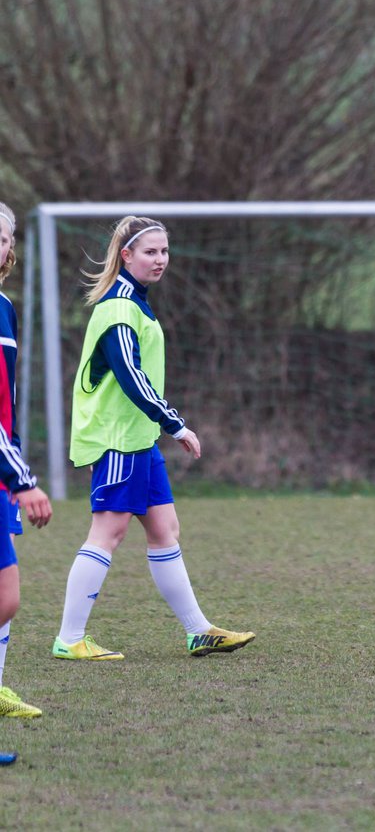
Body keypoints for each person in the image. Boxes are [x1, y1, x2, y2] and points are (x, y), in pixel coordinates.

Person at [52, 216, 254, 661]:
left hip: (137, 438)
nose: (160, 259)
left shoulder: (135, 302)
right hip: (118, 438)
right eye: (150, 252)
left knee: (165, 531)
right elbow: (129, 375)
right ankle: (69, 638)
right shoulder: (119, 306)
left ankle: (198, 631)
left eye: (164, 251)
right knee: (108, 532)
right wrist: (174, 423)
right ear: (126, 256)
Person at [0, 203, 53, 718]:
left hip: (2, 471)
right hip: (5, 473)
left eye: (2, 238)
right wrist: (21, 479)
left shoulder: (4, 308)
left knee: (7, 593)